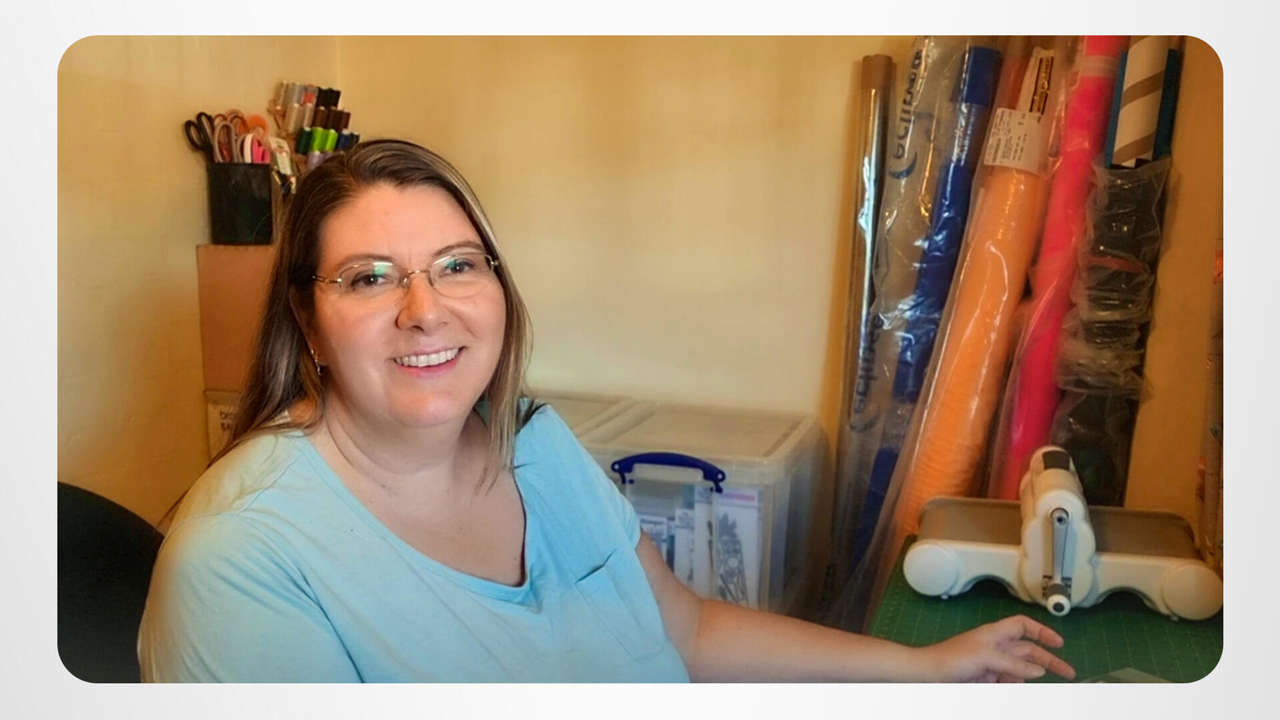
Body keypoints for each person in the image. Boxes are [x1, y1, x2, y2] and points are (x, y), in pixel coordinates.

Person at [138, 139, 1075, 683]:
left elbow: (685, 630)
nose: (426, 310)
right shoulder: (243, 561)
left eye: (458, 265)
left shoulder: (532, 443)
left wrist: (924, 667)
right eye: (369, 278)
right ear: (307, 320)